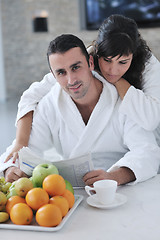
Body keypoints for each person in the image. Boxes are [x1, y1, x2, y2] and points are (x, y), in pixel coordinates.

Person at [0, 34, 160, 186]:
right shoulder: (50, 104)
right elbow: (26, 150)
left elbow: (147, 151)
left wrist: (114, 177)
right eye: (61, 72)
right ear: (53, 76)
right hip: (76, 194)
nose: (71, 80)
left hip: (123, 187)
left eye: (76, 67)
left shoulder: (124, 99)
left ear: (91, 63)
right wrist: (11, 169)